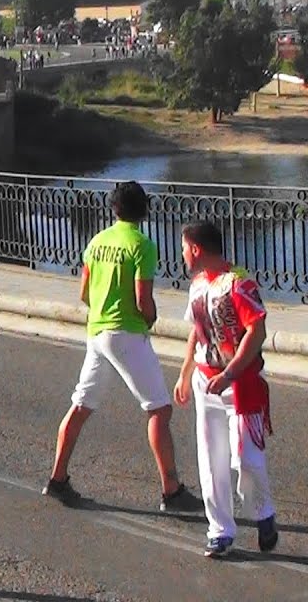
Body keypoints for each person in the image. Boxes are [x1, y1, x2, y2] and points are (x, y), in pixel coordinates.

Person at [43, 181, 204, 513]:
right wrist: (150, 318)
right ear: (143, 210)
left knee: (80, 406)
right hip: (127, 333)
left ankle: (57, 479)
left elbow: (84, 292)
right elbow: (143, 299)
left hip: (97, 331)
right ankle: (171, 491)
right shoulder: (142, 245)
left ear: (114, 209)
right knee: (159, 410)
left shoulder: (97, 241)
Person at [172, 221, 278, 558]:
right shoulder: (197, 285)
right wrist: (185, 372)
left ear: (197, 249)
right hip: (206, 383)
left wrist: (230, 374)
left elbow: (256, 331)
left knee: (247, 458)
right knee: (211, 458)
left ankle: (263, 512)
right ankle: (220, 531)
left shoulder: (238, 283)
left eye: (184, 248)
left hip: (241, 385)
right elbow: (197, 330)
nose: (182, 254)